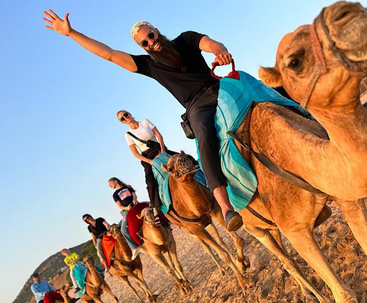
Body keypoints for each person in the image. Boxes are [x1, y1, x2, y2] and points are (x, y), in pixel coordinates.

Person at [43, 10, 243, 231]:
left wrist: (221, 52)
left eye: (151, 36)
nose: (151, 43)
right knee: (204, 138)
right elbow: (109, 54)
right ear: (142, 47)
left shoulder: (185, 39)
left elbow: (211, 44)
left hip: (219, 87)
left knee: (266, 91)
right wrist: (72, 33)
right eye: (145, 43)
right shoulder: (149, 65)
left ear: (157, 31)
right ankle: (224, 207)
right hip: (197, 106)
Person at [116, 111, 171, 226]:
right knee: (150, 181)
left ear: (129, 113)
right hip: (146, 156)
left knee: (185, 158)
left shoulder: (145, 122)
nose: (126, 117)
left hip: (160, 149)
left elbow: (159, 135)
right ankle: (156, 209)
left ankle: (206, 182)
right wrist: (150, 161)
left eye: (126, 114)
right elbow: (135, 154)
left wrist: (163, 151)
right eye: (122, 118)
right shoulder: (128, 134)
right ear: (122, 122)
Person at [108, 177, 143, 259]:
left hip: (136, 204)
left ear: (115, 181)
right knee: (123, 230)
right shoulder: (115, 195)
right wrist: (127, 208)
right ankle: (134, 248)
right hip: (126, 210)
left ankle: (166, 224)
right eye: (109, 185)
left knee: (150, 207)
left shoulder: (127, 187)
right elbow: (120, 206)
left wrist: (134, 200)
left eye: (110, 184)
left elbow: (134, 195)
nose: (110, 186)